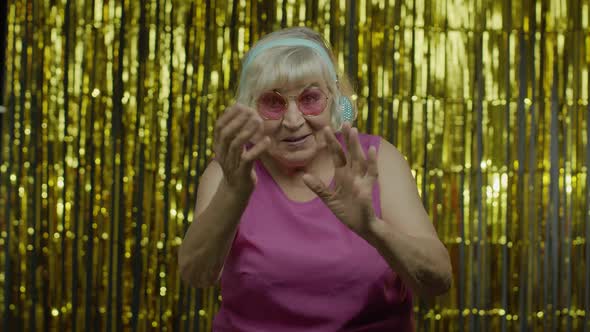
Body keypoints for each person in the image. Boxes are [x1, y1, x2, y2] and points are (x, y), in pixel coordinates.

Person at [178, 26, 453, 331]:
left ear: (336, 100)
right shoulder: (231, 170)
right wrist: (233, 196)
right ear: (249, 108)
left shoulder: (377, 160)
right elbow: (196, 276)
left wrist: (374, 230)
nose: (293, 121)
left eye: (310, 98)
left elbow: (438, 282)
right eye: (273, 102)